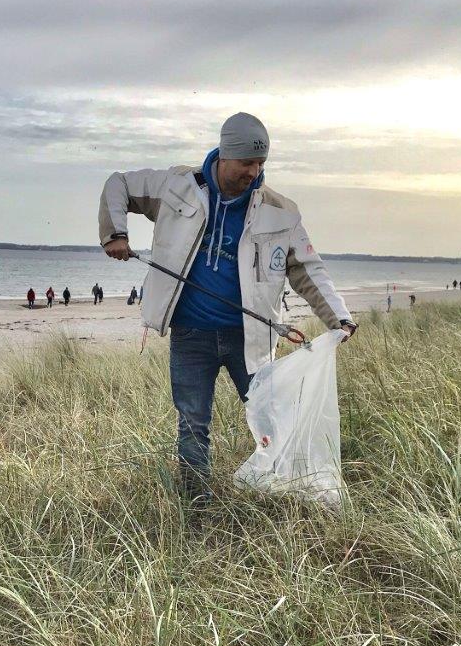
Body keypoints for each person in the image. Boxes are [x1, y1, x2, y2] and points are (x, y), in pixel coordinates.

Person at [99, 112, 356, 501]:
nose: (254, 172)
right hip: (191, 335)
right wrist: (115, 233)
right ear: (224, 155)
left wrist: (339, 317)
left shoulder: (281, 211)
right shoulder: (176, 187)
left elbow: (308, 268)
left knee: (273, 420)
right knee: (192, 424)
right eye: (246, 163)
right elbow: (118, 183)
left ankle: (282, 492)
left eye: (261, 164)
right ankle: (195, 503)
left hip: (251, 339)